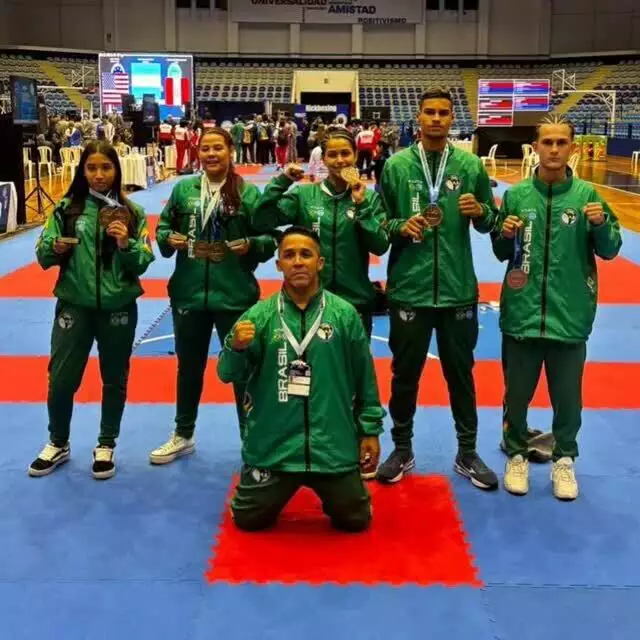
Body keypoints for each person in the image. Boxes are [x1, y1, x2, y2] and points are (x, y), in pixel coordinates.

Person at [217, 226, 385, 531]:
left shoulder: (345, 315)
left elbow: (365, 379)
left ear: (320, 263)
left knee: (355, 521)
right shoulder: (259, 316)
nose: (297, 262)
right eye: (289, 255)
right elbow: (227, 374)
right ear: (278, 264)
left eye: (305, 254)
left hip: (331, 446)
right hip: (275, 448)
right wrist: (235, 348)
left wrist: (370, 431)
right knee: (248, 520)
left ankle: (348, 490)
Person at [493, 116, 622, 500]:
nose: (553, 149)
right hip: (522, 311)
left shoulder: (587, 196)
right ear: (535, 147)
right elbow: (501, 252)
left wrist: (601, 225)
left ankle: (564, 459)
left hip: (570, 313)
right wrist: (505, 234)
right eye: (546, 142)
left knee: (568, 399)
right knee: (517, 395)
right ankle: (517, 453)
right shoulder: (517, 195)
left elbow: (611, 249)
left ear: (573, 148)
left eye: (561, 142)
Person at [376, 87, 499, 490]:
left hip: (457, 289)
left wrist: (481, 211)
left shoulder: (470, 165)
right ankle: (401, 448)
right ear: (418, 116)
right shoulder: (395, 166)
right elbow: (379, 224)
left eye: (443, 112)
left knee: (461, 375)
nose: (435, 118)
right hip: (409, 288)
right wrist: (400, 226)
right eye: (429, 111)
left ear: (452, 118)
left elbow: (489, 222)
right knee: (404, 375)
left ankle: (467, 451)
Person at [149, 127, 277, 465]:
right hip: (189, 293)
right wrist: (168, 238)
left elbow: (269, 238)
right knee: (188, 367)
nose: (211, 154)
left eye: (217, 147)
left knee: (243, 369)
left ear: (230, 150)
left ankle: (252, 439)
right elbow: (162, 228)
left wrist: (252, 245)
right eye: (205, 148)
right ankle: (183, 434)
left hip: (234, 294)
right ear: (198, 152)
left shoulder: (247, 192)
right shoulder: (184, 189)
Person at [29, 141, 155, 479]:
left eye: (106, 167)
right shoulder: (66, 210)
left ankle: (106, 443)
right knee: (61, 378)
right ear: (82, 171)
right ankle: (58, 441)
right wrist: (54, 248)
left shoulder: (133, 213)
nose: (99, 175)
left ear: (116, 170)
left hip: (118, 307)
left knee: (114, 378)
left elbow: (144, 261)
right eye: (92, 168)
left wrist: (126, 243)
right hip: (74, 306)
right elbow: (42, 255)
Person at [252, 128, 388, 337]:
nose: (340, 160)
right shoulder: (304, 195)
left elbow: (379, 246)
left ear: (355, 156)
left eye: (345, 153)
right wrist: (282, 182)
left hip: (355, 302)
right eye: (332, 155)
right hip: (308, 300)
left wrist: (361, 206)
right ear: (323, 159)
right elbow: (261, 221)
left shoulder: (369, 199)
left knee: (354, 359)